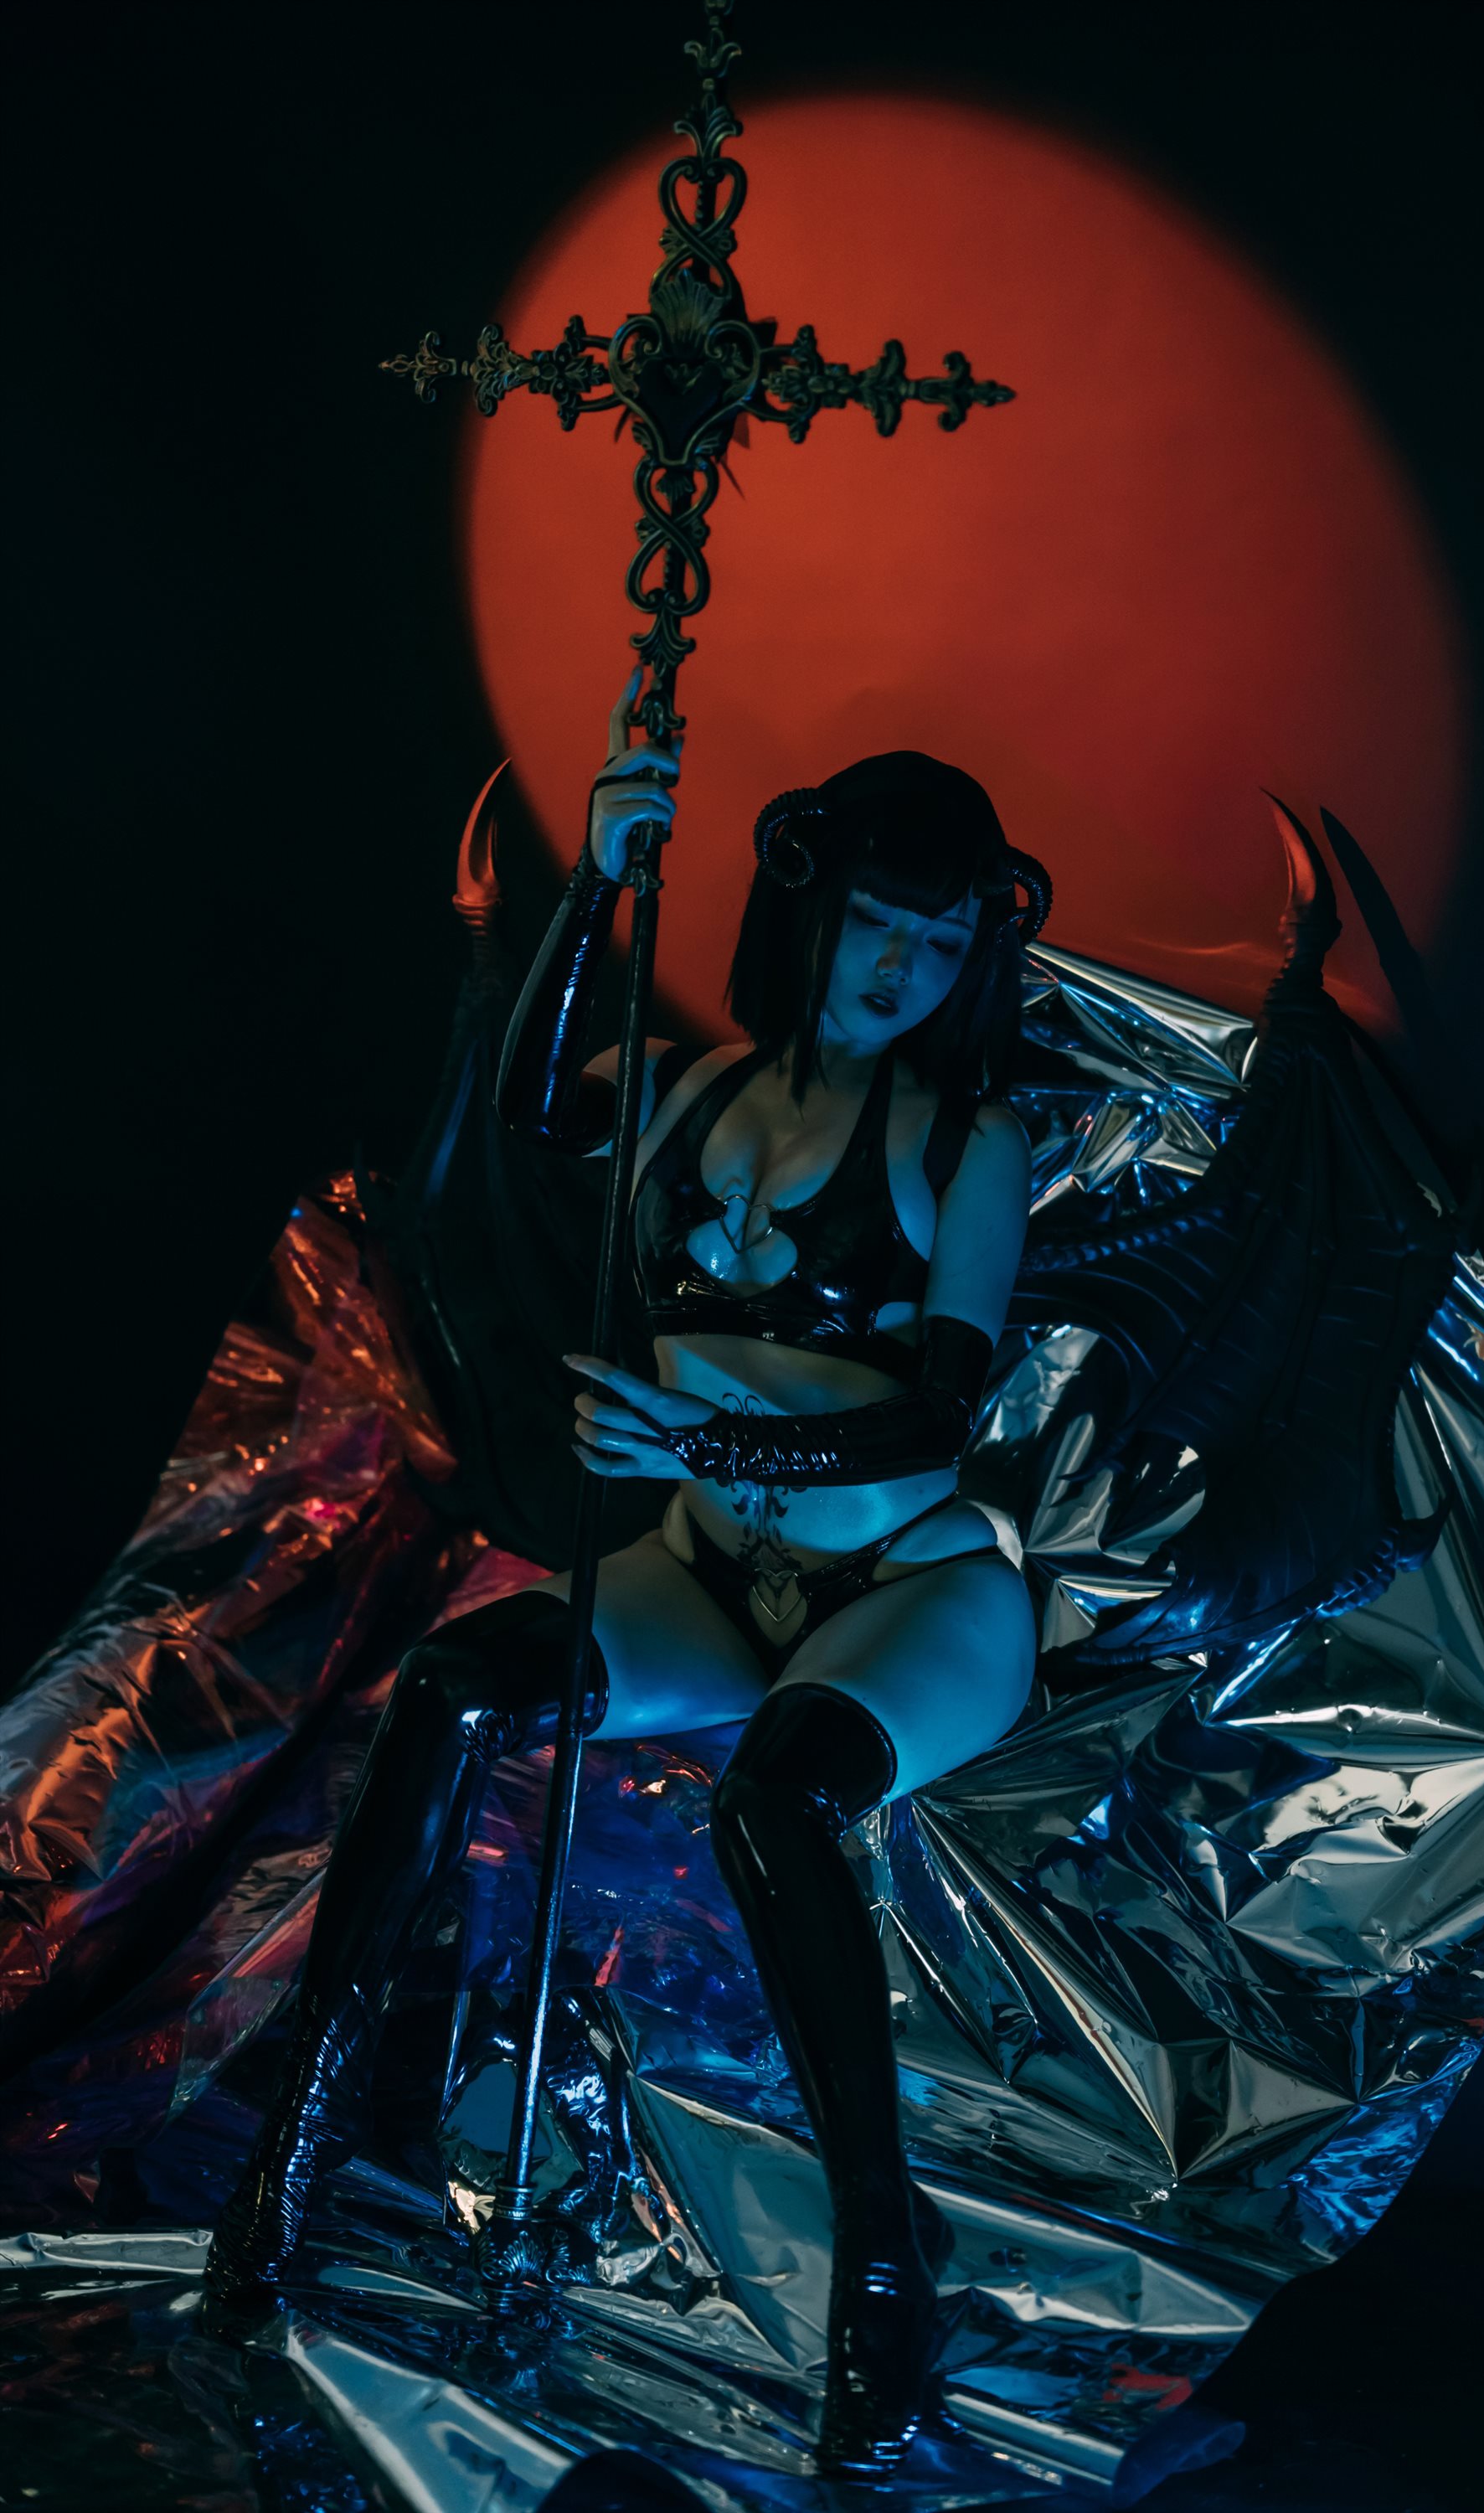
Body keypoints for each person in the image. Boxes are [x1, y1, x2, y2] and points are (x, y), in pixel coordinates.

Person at [207, 667, 1053, 2479]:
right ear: (810, 904)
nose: (901, 969)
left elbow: (934, 1416)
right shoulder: (678, 1099)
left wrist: (711, 1444)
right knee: (455, 1688)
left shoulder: (965, 1145)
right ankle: (288, 2161)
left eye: (940, 941)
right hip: (708, 1577)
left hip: (909, 1594)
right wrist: (599, 879)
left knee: (777, 1801)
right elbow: (529, 1110)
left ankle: (881, 2286)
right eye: (877, 923)